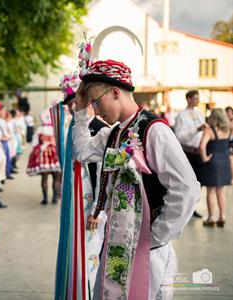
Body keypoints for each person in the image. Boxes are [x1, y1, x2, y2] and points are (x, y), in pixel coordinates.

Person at [73, 59, 199, 300]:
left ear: (115, 92)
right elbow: (82, 152)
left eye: (96, 103)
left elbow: (187, 190)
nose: (96, 111)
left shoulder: (155, 131)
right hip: (117, 245)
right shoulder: (113, 133)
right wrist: (80, 112)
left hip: (146, 249)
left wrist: (156, 237)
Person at [54, 70, 107, 300]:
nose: (71, 106)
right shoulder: (75, 126)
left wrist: (97, 208)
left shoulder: (96, 127)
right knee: (77, 253)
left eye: (74, 100)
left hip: (90, 207)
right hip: (76, 204)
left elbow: (100, 171)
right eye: (69, 102)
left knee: (90, 256)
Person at [174, 90, 205, 218]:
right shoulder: (181, 115)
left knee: (199, 182)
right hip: (188, 152)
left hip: (200, 151)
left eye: (198, 98)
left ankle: (193, 207)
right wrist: (196, 130)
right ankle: (186, 208)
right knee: (188, 182)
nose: (197, 100)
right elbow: (179, 136)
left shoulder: (199, 114)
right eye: (195, 98)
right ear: (188, 99)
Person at [199, 108, 231, 227]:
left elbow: (202, 146)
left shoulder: (209, 130)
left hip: (212, 162)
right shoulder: (228, 130)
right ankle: (222, 216)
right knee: (221, 191)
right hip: (224, 161)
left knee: (211, 191)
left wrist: (204, 158)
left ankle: (211, 218)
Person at [27, 110, 61, 205]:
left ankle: (45, 199)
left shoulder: (40, 129)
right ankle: (54, 197)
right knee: (56, 178)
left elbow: (34, 143)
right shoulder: (56, 129)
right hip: (55, 154)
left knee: (44, 178)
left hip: (43, 155)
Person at [226, 106, 233, 184]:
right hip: (226, 142)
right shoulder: (225, 121)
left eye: (230, 112)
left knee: (231, 159)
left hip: (231, 142)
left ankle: (231, 177)